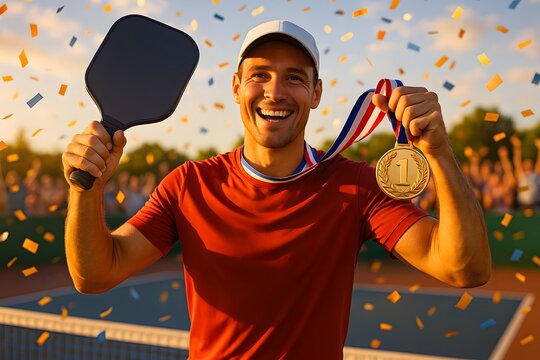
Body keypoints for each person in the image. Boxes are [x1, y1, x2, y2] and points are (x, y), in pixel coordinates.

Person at [62, 20, 491, 359]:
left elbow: (462, 268)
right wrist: (86, 190)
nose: (275, 91)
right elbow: (95, 275)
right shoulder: (188, 184)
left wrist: (439, 153)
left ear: (317, 93)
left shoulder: (356, 184)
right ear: (236, 87)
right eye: (260, 75)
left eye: (294, 78)